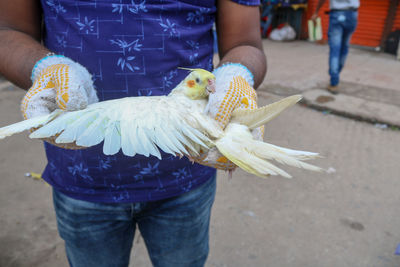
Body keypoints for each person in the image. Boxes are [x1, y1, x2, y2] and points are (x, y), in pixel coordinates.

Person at [0, 1, 266, 266]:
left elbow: (246, 42)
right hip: (82, 174)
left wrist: (236, 73)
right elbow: (8, 29)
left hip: (186, 173)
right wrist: (46, 69)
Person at [312, 0, 359, 94]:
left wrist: (316, 11)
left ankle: (334, 82)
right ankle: (336, 73)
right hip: (352, 14)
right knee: (344, 47)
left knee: (335, 49)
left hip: (337, 14)